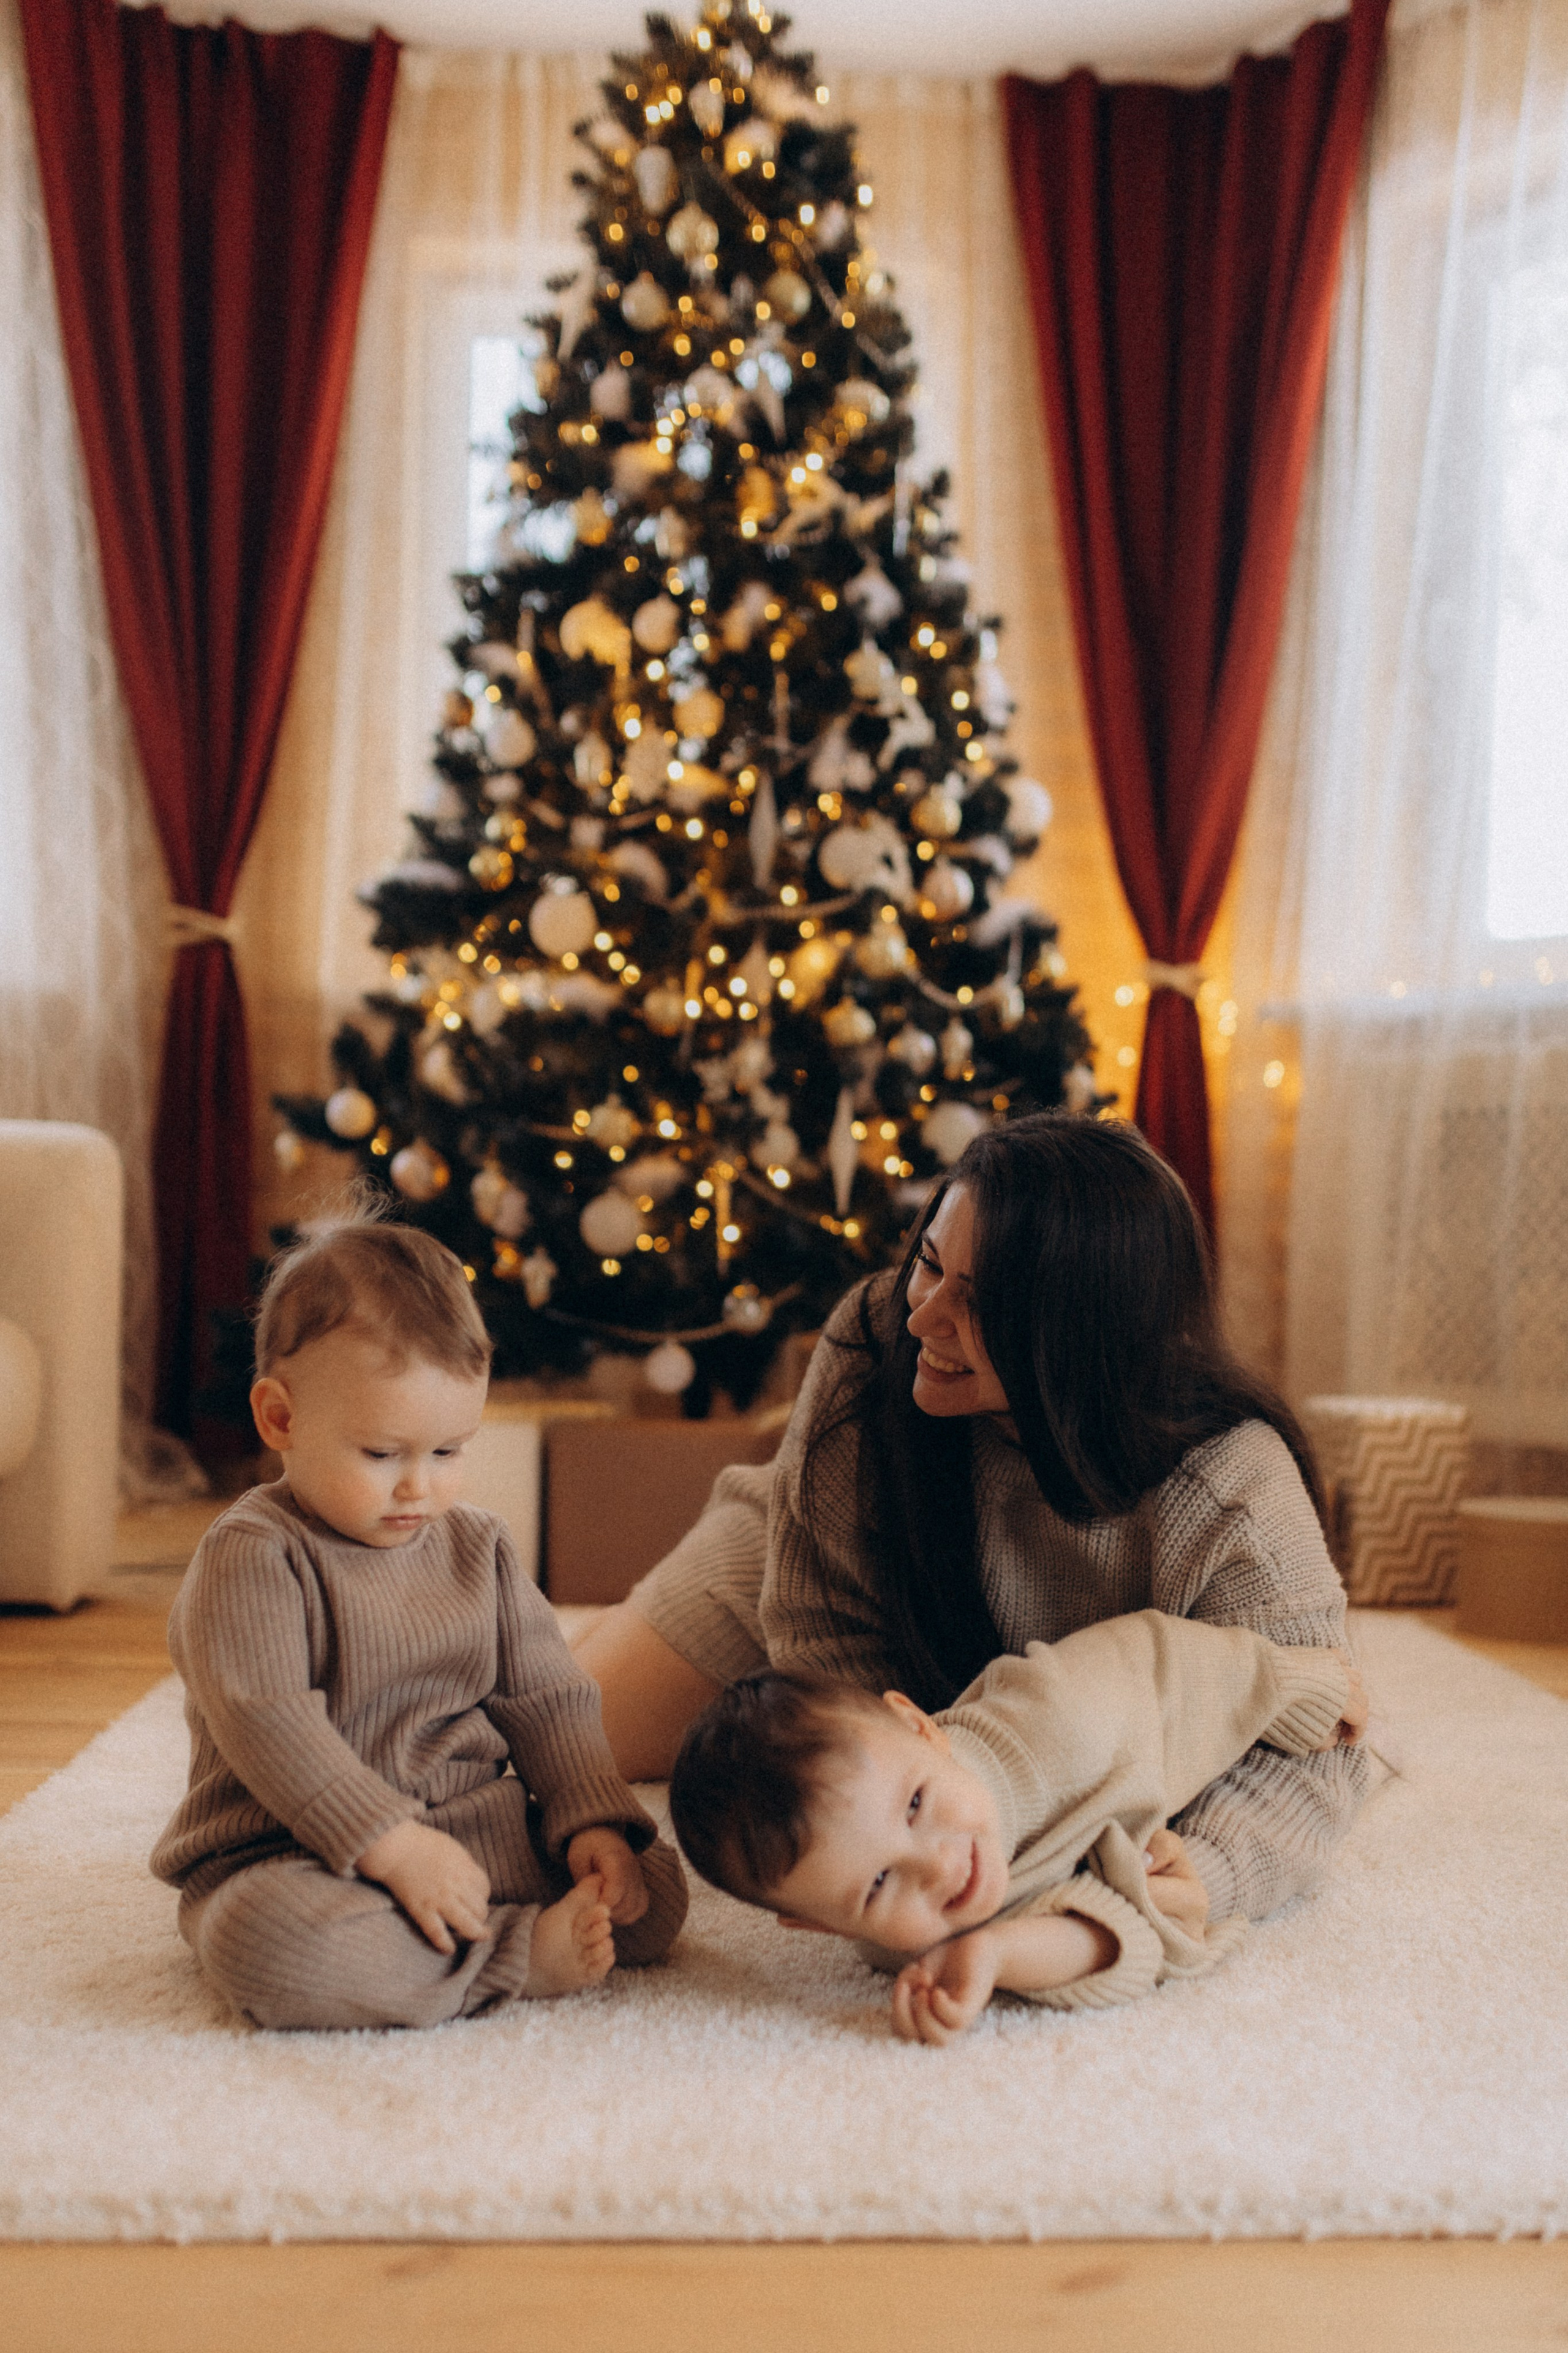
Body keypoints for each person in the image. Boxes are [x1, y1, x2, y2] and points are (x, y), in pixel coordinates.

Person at [574, 1113, 1370, 1933]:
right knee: (552, 1732)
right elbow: (824, 1647)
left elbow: (1326, 1746)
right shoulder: (876, 1336)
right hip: (793, 1572)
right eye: (929, 1263)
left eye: (980, 1304)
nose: (923, 1318)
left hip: (999, 1715)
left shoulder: (1231, 1486)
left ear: (1084, 1332)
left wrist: (1211, 1870)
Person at [151, 1212, 686, 2030]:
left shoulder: (481, 1548)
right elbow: (271, 1725)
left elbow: (548, 1698)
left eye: (447, 1452)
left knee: (650, 1890)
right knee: (271, 1949)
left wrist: (592, 1817)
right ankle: (510, 1957)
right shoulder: (253, 1555)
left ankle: (453, 1932)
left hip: (467, 1826)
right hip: (292, 1850)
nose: (419, 1489)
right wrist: (391, 1848)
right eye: (382, 1454)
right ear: (281, 1419)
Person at [669, 1612, 1368, 2044]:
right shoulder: (899, 1950)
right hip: (1129, 1840)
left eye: (915, 1804)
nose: (937, 1868)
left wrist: (1302, 1685)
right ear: (823, 1926)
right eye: (880, 1883)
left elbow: (1173, 1660)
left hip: (1181, 1722)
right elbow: (1121, 1929)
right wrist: (997, 1954)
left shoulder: (1061, 1718)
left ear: (920, 1727)